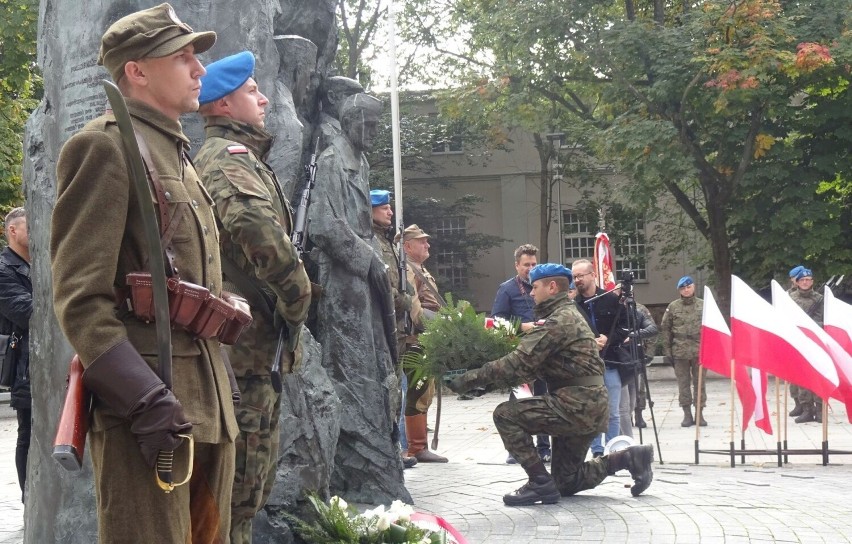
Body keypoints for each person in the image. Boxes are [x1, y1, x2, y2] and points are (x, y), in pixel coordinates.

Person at [50, 5, 237, 541]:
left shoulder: (177, 155)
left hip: (205, 407)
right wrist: (146, 402)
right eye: (183, 58)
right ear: (137, 70)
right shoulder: (106, 147)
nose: (200, 69)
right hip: (150, 416)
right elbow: (80, 299)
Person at [194, 51, 312, 543]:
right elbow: (257, 231)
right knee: (235, 497)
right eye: (251, 91)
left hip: (252, 354)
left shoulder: (245, 159)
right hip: (241, 355)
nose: (262, 99)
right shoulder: (227, 159)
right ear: (223, 104)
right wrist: (297, 298)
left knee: (249, 491)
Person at [447, 263, 654, 506]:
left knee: (505, 415)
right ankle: (627, 458)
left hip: (575, 404)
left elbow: (517, 362)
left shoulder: (559, 321)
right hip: (586, 405)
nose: (532, 293)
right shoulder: (566, 315)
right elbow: (529, 368)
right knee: (566, 482)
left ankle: (538, 482)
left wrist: (466, 379)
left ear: (552, 287)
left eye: (535, 287)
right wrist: (483, 387)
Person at [308, 93, 406, 500]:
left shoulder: (360, 162)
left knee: (378, 363)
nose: (375, 131)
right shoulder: (333, 161)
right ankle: (356, 466)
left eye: (377, 124)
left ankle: (377, 463)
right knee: (351, 370)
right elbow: (322, 224)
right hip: (343, 288)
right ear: (350, 122)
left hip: (364, 283)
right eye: (369, 123)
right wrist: (367, 260)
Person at [370, 189, 419, 469]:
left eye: (389, 207)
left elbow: (399, 281)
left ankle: (397, 447)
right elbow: (380, 286)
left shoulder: (386, 241)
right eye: (384, 208)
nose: (389, 212)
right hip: (383, 325)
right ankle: (393, 448)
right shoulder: (371, 241)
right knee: (389, 389)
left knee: (397, 389)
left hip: (397, 328)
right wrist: (404, 299)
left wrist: (407, 292)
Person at [491, 244, 551, 464]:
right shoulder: (507, 289)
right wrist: (522, 326)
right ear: (517, 265)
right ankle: (517, 449)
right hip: (519, 355)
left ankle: (544, 448)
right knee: (518, 403)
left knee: (544, 400)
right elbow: (496, 321)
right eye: (526, 265)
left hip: (544, 354)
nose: (531, 268)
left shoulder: (546, 286)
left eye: (534, 264)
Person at [402, 224, 449, 463]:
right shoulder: (409, 270)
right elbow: (414, 308)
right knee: (418, 390)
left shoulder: (419, 268)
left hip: (425, 337)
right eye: (422, 241)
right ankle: (416, 447)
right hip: (416, 339)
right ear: (407, 246)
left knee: (425, 389)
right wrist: (433, 328)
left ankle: (418, 446)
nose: (427, 244)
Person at [571, 258, 627, 457]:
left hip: (610, 362)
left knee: (612, 411)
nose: (577, 280)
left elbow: (625, 327)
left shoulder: (611, 298)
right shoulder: (573, 306)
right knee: (593, 411)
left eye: (580, 276)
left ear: (592, 275)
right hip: (587, 367)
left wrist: (608, 339)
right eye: (574, 276)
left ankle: (613, 449)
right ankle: (597, 450)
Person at [0, 208, 32, 502]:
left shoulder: (43, 264)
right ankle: (29, 499)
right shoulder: (3, 269)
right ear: (13, 231)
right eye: (30, 226)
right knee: (28, 434)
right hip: (25, 365)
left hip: (49, 365)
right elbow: (28, 312)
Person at [660, 276, 706, 427]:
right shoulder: (673, 307)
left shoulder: (703, 305)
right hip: (680, 350)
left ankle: (700, 414)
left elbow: (710, 328)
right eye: (683, 288)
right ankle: (687, 414)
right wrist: (667, 350)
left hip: (700, 350)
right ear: (679, 290)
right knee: (683, 384)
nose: (686, 290)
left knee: (700, 384)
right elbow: (665, 329)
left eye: (688, 287)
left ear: (693, 287)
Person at [788, 268, 824, 423]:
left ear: (812, 281)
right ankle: (806, 409)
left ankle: (820, 409)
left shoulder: (820, 299)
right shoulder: (790, 299)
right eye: (802, 280)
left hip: (816, 343)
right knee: (802, 378)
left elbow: (828, 321)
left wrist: (812, 325)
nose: (805, 282)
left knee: (818, 377)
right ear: (797, 282)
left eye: (808, 279)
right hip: (799, 343)